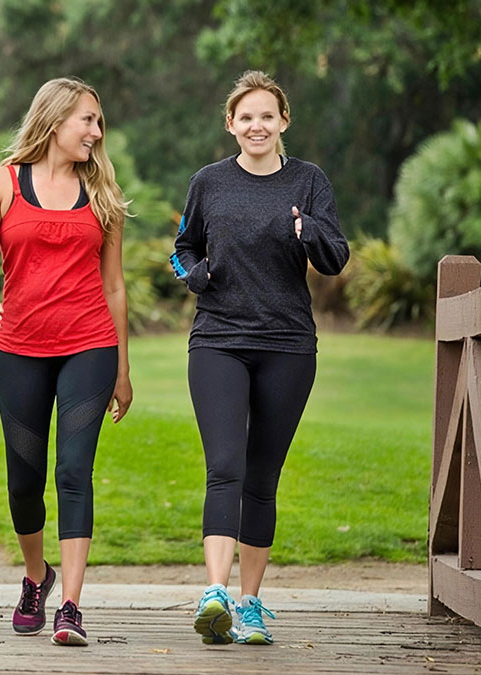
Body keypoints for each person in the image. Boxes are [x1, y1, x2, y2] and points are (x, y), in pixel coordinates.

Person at [172, 70, 349, 646]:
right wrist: (196, 275)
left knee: (262, 477)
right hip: (219, 339)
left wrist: (308, 231)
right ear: (230, 124)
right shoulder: (209, 182)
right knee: (225, 465)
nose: (256, 125)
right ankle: (215, 594)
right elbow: (183, 248)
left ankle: (250, 605)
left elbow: (335, 258)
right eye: (245, 116)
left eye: (267, 116)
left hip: (288, 345)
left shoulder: (309, 181)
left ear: (283, 122)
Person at [0, 77, 133, 647]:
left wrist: (124, 371)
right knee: (24, 481)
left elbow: (114, 287)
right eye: (87, 119)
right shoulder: (2, 183)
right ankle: (37, 577)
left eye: (98, 120)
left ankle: (71, 607)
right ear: (55, 120)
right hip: (19, 350)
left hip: (89, 345)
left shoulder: (103, 192)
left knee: (73, 471)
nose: (96, 130)